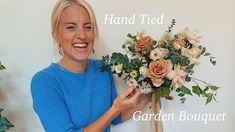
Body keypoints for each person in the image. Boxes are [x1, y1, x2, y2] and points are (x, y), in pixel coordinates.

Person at [31, 0, 151, 132]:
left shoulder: (102, 69)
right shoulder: (44, 81)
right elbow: (113, 112)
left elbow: (116, 117)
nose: (82, 35)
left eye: (88, 27)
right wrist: (115, 109)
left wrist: (154, 90)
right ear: (56, 36)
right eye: (71, 27)